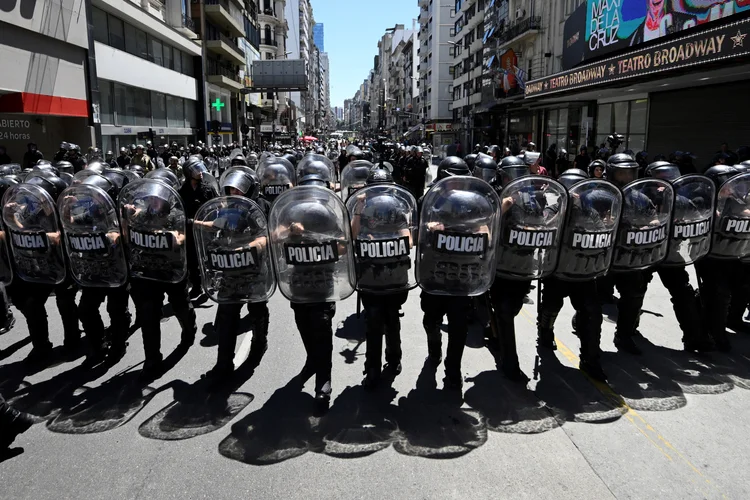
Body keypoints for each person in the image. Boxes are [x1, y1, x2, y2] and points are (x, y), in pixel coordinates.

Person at [538, 168, 617, 382]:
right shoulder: (554, 208)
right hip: (558, 271)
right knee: (551, 307)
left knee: (592, 312)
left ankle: (590, 359)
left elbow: (601, 232)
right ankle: (545, 332)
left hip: (583, 270)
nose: (573, 194)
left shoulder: (589, 211)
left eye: (577, 190)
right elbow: (543, 228)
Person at [201, 168, 271, 386]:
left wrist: (244, 249)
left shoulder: (255, 210)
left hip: (253, 271)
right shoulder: (227, 209)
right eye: (230, 188)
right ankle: (223, 364)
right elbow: (217, 227)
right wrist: (195, 225)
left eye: (238, 189)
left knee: (257, 309)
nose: (233, 192)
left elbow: (263, 238)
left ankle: (260, 343)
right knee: (227, 316)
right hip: (230, 272)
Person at [418, 157, 483, 390]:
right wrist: (428, 228)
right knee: (430, 320)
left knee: (459, 326)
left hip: (462, 274)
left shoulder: (473, 203)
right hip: (434, 273)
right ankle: (434, 349)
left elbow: (485, 228)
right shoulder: (428, 200)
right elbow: (414, 231)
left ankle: (453, 368)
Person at [350, 167, 414, 389]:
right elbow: (352, 235)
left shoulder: (397, 209)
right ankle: (373, 368)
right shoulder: (363, 208)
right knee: (374, 322)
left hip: (393, 276)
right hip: (370, 276)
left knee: (390, 320)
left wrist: (384, 240)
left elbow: (408, 241)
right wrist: (358, 209)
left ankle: (393, 359)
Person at [179, 157, 220, 299]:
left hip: (206, 229)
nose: (200, 173)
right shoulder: (182, 190)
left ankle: (212, 281)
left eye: (200, 169)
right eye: (196, 171)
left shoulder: (208, 188)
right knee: (192, 259)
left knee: (209, 256)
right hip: (189, 229)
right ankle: (196, 286)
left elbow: (217, 206)